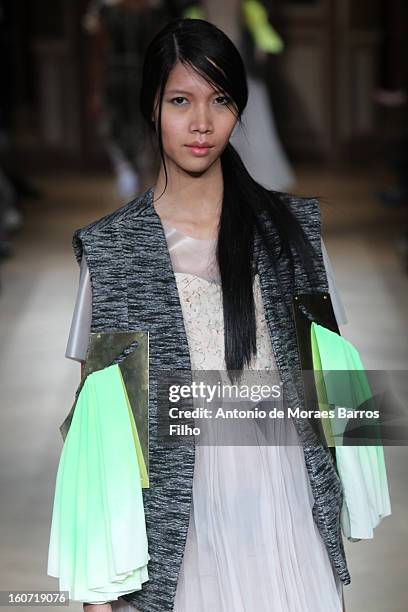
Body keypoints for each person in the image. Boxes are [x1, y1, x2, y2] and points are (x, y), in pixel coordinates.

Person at [64, 18, 350, 612]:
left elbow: (336, 398)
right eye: (180, 101)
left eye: (220, 100)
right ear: (152, 108)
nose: (201, 123)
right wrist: (100, 587)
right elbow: (106, 438)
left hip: (286, 508)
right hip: (178, 526)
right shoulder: (114, 252)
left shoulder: (294, 234)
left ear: (239, 109)